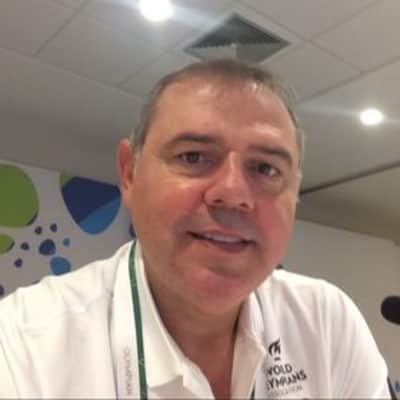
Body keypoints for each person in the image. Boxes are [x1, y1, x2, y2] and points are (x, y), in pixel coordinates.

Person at [0, 58, 390, 399]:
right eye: (193, 157)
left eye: (265, 168)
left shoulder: (325, 322)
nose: (233, 193)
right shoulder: (23, 343)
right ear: (130, 172)